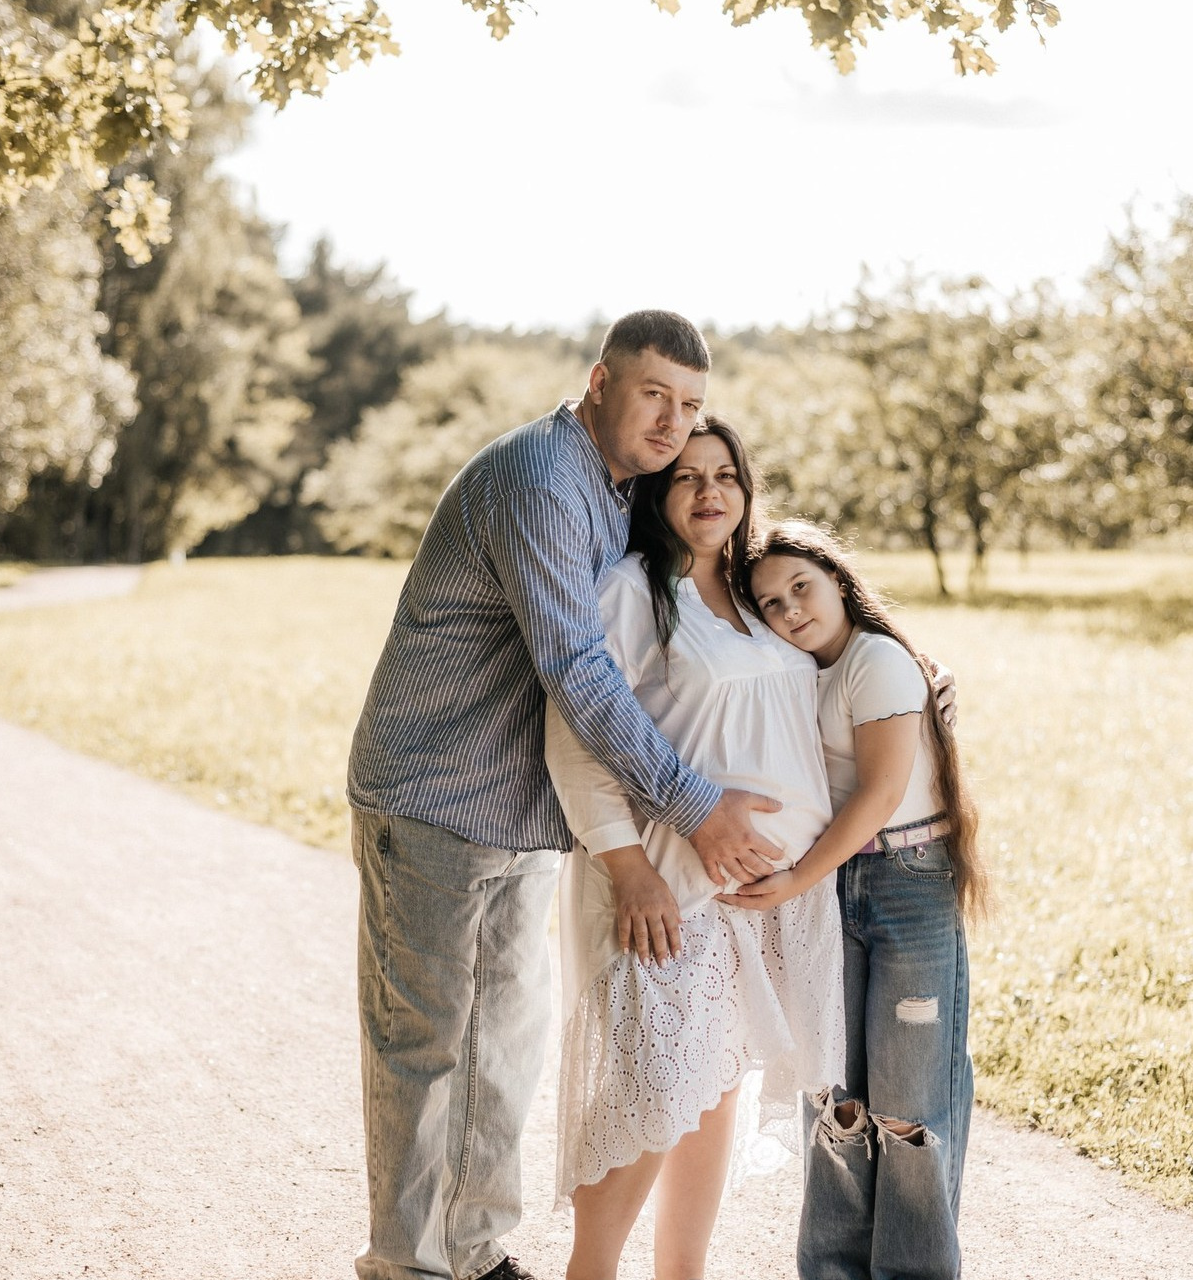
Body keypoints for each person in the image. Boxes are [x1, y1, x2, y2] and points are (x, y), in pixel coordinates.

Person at [345, 311, 787, 1280]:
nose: (673, 422)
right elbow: (582, 674)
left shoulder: (615, 486)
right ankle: (404, 1266)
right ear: (598, 382)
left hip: (515, 814)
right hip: (428, 796)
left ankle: (471, 1252)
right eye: (653, 394)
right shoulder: (541, 478)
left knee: (501, 1044)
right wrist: (691, 803)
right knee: (424, 1044)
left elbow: (715, 584)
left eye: (691, 404)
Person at [544, 419, 847, 1280]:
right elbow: (575, 735)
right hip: (662, 884)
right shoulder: (632, 591)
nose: (710, 492)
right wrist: (627, 867)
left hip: (763, 898)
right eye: (686, 478)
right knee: (655, 1093)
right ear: (654, 494)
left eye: (725, 475)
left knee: (715, 1094)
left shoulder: (762, 599)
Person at [731, 519, 991, 1280]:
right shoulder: (792, 674)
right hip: (833, 890)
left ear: (839, 580)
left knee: (909, 1110)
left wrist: (794, 879)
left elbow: (878, 794)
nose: (790, 611)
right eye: (771, 603)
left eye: (801, 587)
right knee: (835, 1102)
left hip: (906, 883)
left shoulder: (875, 662)